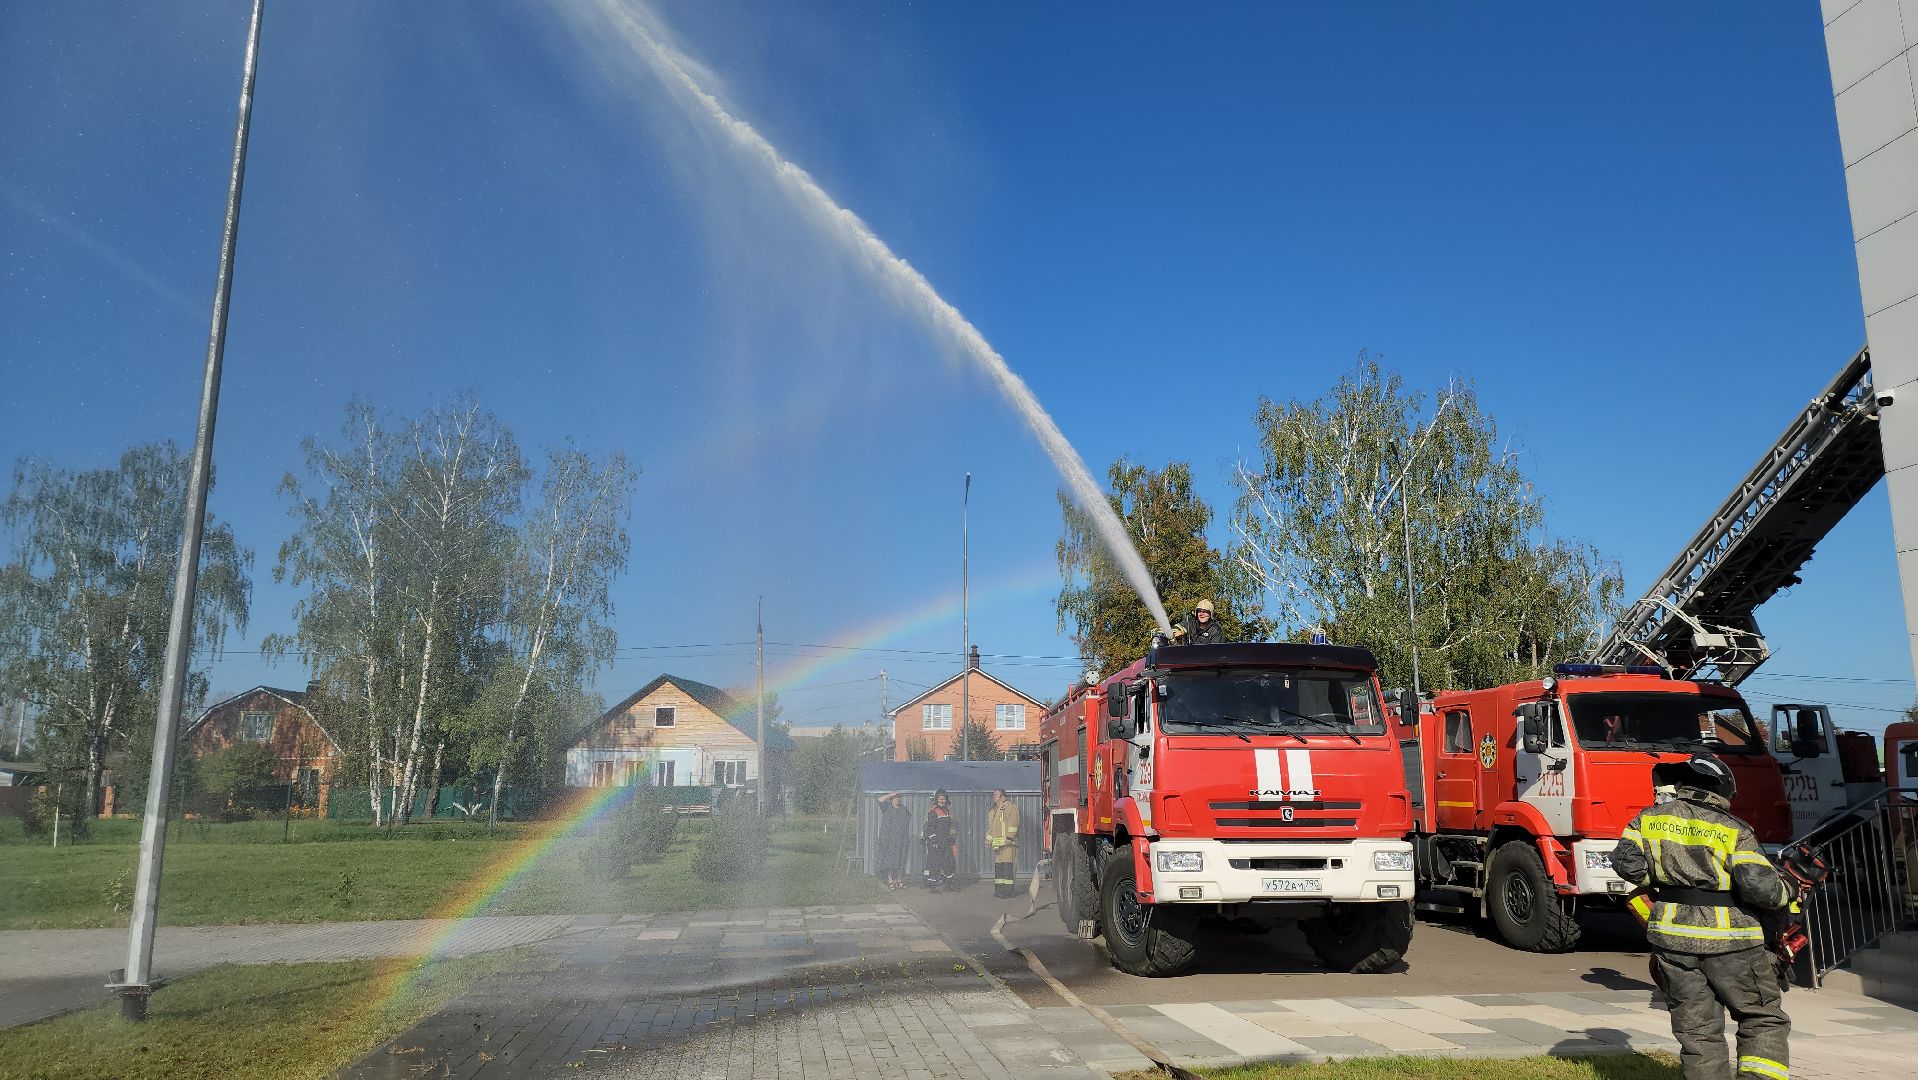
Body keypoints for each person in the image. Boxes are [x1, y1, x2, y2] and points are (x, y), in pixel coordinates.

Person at [1610, 753, 1792, 1080]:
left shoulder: (1647, 820)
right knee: (1762, 1020)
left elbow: (1626, 864)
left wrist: (1664, 881)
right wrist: (1787, 890)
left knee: (1698, 1032)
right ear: (1722, 790)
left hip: (1673, 941)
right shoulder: (1733, 829)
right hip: (1733, 944)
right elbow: (1763, 891)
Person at [985, 788, 1020, 898]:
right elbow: (991, 828)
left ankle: (1008, 892)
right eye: (993, 794)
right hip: (998, 845)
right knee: (999, 868)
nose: (993, 796)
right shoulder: (993, 811)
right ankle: (999, 890)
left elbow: (1014, 822)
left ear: (1002, 796)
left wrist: (1010, 837)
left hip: (1008, 844)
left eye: (996, 794)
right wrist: (988, 840)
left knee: (1008, 868)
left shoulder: (1009, 806)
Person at [921, 789, 957, 892]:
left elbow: (952, 827)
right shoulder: (933, 812)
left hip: (946, 842)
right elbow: (930, 827)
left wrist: (952, 838)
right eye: (940, 799)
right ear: (936, 800)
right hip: (936, 843)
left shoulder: (948, 812)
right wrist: (933, 841)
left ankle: (948, 885)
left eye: (943, 799)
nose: (942, 801)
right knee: (934, 864)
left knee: (948, 863)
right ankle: (932, 887)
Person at [874, 792, 912, 890]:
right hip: (889, 841)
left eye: (899, 797)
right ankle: (890, 881)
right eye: (895, 797)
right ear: (891, 799)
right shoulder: (886, 807)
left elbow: (907, 820)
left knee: (901, 861)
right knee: (890, 861)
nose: (897, 799)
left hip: (901, 840)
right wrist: (891, 794)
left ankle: (899, 880)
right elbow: (879, 799)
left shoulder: (904, 809)